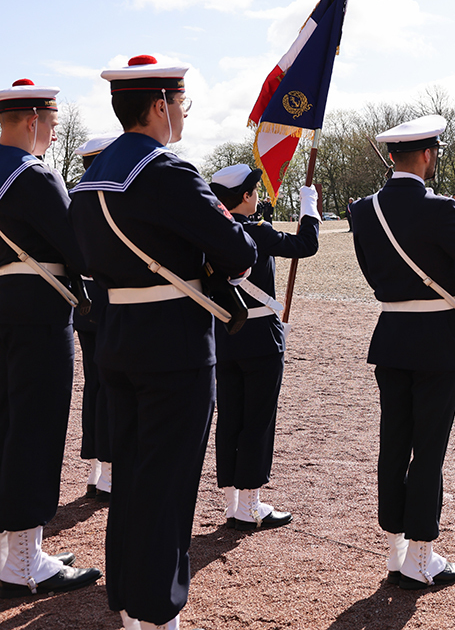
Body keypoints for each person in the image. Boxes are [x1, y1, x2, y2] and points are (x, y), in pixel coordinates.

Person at [69, 55, 257, 629]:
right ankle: (158, 615)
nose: (182, 114)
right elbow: (240, 253)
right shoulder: (169, 172)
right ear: (160, 105)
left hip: (118, 337)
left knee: (131, 480)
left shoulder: (88, 179)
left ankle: (130, 607)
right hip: (174, 346)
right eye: (181, 103)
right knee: (168, 488)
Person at [349, 115, 455, 589]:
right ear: (429, 154)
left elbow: (373, 275)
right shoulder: (440, 208)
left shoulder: (363, 210)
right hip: (435, 337)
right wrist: (454, 284)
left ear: (391, 156)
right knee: (428, 448)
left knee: (393, 442)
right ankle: (422, 555)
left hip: (391, 332)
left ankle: (395, 550)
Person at [0, 80, 102, 598]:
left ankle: (10, 552)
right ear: (33, 119)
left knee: (6, 429)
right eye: (53, 123)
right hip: (38, 313)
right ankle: (23, 562)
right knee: (34, 434)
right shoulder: (34, 176)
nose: (55, 134)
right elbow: (80, 251)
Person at [209, 164, 321, 532]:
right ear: (244, 196)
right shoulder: (257, 230)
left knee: (230, 417)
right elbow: (306, 246)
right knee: (258, 419)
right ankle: (251, 504)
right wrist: (309, 209)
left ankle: (231, 501)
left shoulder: (211, 233)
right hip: (260, 336)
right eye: (253, 190)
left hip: (223, 335)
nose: (257, 195)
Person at [73, 135, 118, 504]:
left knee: (95, 386)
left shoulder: (73, 198)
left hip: (83, 306)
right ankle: (106, 470)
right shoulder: (109, 198)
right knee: (112, 387)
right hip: (110, 302)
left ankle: (96, 471)